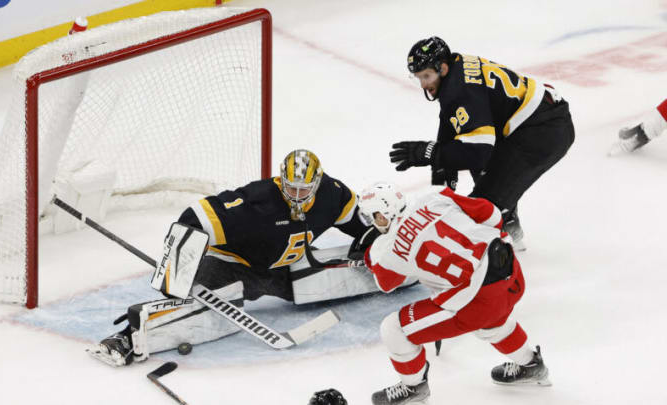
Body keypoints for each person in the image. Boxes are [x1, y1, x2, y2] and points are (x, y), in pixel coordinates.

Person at [88, 149, 380, 366]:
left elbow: (354, 218)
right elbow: (193, 219)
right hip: (232, 267)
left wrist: (372, 241)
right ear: (280, 179)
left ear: (317, 183)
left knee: (333, 275)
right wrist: (175, 279)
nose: (297, 196)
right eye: (291, 187)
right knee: (193, 312)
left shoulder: (332, 193)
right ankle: (125, 340)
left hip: (284, 266)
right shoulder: (257, 201)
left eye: (305, 189)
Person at [357, 183, 550, 405]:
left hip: (477, 301)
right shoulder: (435, 196)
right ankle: (531, 365)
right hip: (511, 272)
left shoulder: (385, 248)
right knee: (493, 321)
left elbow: (386, 283)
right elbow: (492, 215)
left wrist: (371, 258)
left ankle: (413, 388)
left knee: (394, 329)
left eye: (371, 217)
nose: (372, 223)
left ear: (381, 215)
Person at [389, 36, 574, 248]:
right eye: (418, 77)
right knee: (476, 159)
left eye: (426, 76)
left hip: (543, 132)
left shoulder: (460, 90)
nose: (423, 84)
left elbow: (478, 153)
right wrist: (442, 165)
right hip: (539, 120)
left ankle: (498, 235)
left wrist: (430, 153)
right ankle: (506, 219)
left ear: (443, 68)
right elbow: (451, 119)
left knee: (478, 210)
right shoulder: (456, 66)